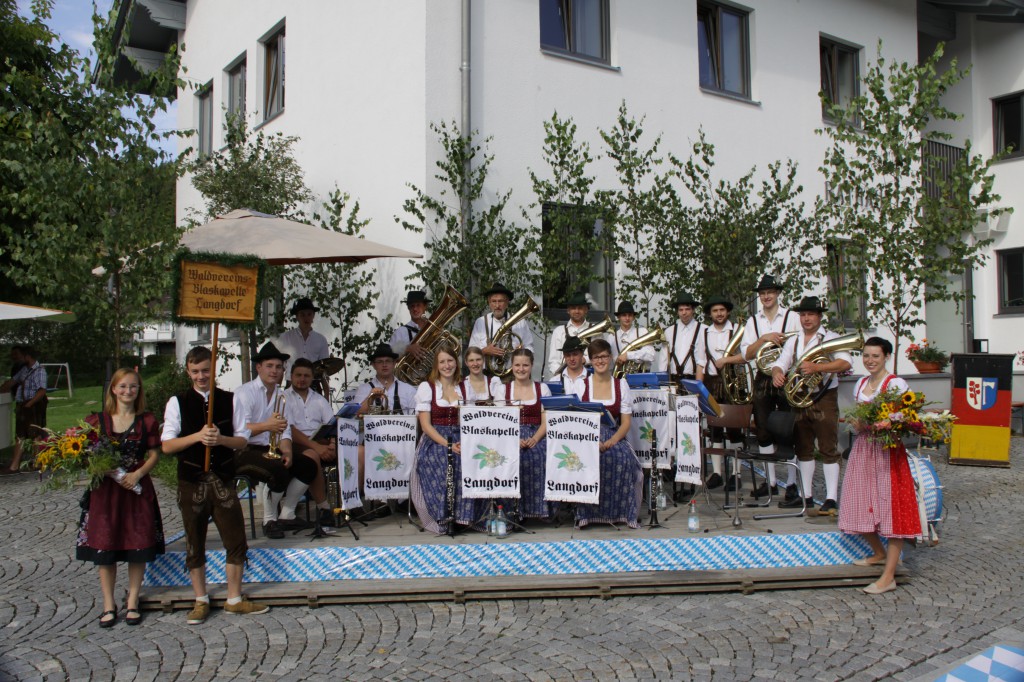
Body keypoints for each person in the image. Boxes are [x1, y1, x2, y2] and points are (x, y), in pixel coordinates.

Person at [161, 346, 269, 623]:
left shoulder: (230, 400)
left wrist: (220, 440)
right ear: (188, 371)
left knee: (235, 539)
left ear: (214, 369)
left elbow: (242, 440)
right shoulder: (178, 402)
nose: (201, 376)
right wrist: (197, 436)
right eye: (195, 371)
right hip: (191, 479)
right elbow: (168, 445)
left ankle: (234, 598)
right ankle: (200, 599)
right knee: (194, 541)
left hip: (222, 477)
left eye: (205, 371)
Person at [77, 368, 164, 627]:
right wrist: (98, 467)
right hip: (106, 493)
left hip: (135, 490)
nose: (128, 391)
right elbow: (84, 456)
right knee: (107, 546)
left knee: (138, 545)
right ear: (113, 389)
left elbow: (155, 454)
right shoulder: (97, 421)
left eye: (133, 387)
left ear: (139, 391)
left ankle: (133, 600)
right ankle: (108, 604)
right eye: (123, 386)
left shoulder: (145, 420)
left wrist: (137, 475)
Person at [838, 337, 921, 595]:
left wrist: (887, 424)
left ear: (886, 356)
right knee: (857, 500)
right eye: (866, 356)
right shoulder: (861, 383)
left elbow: (906, 417)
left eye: (875, 356)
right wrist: (857, 424)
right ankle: (878, 552)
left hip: (887, 451)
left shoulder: (895, 384)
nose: (870, 360)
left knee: (891, 508)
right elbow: (860, 417)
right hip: (864, 448)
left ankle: (888, 577)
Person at [770, 296, 853, 515]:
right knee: (803, 447)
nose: (806, 319)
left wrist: (817, 368)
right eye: (803, 315)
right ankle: (806, 496)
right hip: (800, 399)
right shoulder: (794, 340)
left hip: (824, 397)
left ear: (819, 316)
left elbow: (845, 362)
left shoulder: (830, 338)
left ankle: (831, 499)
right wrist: (777, 373)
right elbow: (781, 363)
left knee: (828, 447)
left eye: (811, 314)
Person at [233, 342, 319, 539]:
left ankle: (287, 514)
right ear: (259, 367)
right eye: (270, 366)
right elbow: (239, 430)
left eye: (278, 367)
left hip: (270, 448)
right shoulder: (245, 393)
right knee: (277, 469)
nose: (274, 371)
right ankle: (269, 520)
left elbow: (285, 430)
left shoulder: (281, 395)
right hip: (245, 450)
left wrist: (287, 451)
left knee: (308, 465)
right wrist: (266, 426)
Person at [409, 348, 487, 534]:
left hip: (463, 435)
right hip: (435, 439)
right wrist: (449, 444)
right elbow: (426, 427)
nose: (447, 366)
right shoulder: (427, 388)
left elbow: (471, 419)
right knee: (447, 460)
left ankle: (465, 517)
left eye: (450, 361)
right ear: (436, 365)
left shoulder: (465, 387)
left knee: (475, 459)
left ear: (456, 363)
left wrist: (466, 442)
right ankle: (444, 516)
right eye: (442, 362)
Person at [740, 275, 801, 499]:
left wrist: (782, 368)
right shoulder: (753, 322)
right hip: (763, 378)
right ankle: (772, 481)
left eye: (770, 292)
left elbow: (798, 345)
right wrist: (764, 339)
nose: (766, 296)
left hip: (787, 376)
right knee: (764, 429)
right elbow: (746, 354)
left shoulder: (792, 317)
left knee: (788, 430)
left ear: (777, 294)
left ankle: (792, 483)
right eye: (763, 293)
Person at [572, 339, 644, 528]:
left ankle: (622, 513)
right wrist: (592, 440)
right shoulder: (581, 385)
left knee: (621, 458)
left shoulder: (621, 385)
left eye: (604, 356)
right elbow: (578, 421)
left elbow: (626, 422)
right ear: (590, 360)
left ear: (611, 358)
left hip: (614, 434)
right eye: (596, 357)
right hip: (587, 436)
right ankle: (586, 513)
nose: (600, 361)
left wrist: (612, 440)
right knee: (586, 459)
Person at [492, 348, 552, 519]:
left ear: (532, 366)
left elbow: (546, 420)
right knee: (509, 457)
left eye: (525, 365)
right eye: (517, 365)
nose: (521, 369)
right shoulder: (503, 390)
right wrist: (513, 439)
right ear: (512, 366)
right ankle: (511, 511)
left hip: (536, 434)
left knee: (539, 455)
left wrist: (535, 438)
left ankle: (538, 510)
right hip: (510, 435)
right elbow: (500, 421)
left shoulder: (543, 389)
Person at [695, 296, 746, 489]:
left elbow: (747, 356)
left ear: (728, 312)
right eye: (715, 311)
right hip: (712, 383)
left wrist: (727, 361)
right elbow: (701, 361)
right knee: (715, 429)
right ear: (710, 314)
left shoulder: (737, 330)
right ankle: (717, 473)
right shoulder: (704, 333)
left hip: (733, 382)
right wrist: (699, 388)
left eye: (722, 310)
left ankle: (736, 474)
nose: (719, 314)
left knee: (734, 429)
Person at [283, 358, 337, 528]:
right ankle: (324, 507)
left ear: (312, 377)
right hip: (294, 443)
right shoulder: (283, 397)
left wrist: (332, 445)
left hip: (320, 441)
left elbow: (332, 425)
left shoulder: (319, 399)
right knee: (312, 457)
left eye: (306, 375)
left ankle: (351, 505)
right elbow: (289, 429)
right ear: (291, 376)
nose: (302, 379)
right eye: (298, 375)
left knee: (354, 451)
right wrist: (318, 448)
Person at [469, 283, 535, 379]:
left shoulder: (520, 322)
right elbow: (471, 352)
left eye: (500, 301)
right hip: (487, 376)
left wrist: (521, 351)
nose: (497, 305)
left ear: (507, 302)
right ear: (489, 303)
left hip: (514, 376)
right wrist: (485, 350)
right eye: (493, 301)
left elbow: (530, 348)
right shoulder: (480, 322)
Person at [2, 346, 47, 474]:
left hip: (34, 406)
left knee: (35, 435)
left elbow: (42, 391)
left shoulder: (40, 371)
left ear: (28, 356)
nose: (17, 358)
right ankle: (14, 466)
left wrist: (29, 404)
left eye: (19, 355)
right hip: (23, 405)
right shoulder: (24, 371)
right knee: (20, 435)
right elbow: (12, 382)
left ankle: (38, 463)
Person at [353, 343, 417, 416]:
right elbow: (356, 415)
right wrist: (370, 398)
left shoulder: (409, 390)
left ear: (394, 363)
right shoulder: (363, 389)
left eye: (388, 361)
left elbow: (417, 418)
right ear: (373, 365)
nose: (384, 365)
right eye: (380, 362)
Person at [657, 292, 704, 387]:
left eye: (687, 309)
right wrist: (662, 383)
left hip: (694, 380)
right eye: (681, 310)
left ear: (693, 310)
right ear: (677, 311)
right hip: (673, 381)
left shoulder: (703, 330)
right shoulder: (669, 331)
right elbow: (664, 358)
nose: (684, 313)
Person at [275, 297, 330, 374]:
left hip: (313, 381)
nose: (306, 318)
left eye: (309, 314)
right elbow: (278, 363)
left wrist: (325, 384)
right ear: (297, 316)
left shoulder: (321, 340)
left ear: (313, 316)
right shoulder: (285, 337)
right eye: (302, 314)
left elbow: (324, 366)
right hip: (291, 381)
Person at [546, 291, 593, 379]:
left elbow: (600, 356)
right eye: (573, 308)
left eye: (580, 308)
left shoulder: (595, 329)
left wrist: (585, 360)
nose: (577, 311)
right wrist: (562, 376)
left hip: (589, 377)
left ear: (586, 309)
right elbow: (553, 360)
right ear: (568, 310)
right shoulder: (559, 331)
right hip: (564, 377)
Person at [607, 301, 655, 374]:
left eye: (630, 315)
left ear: (633, 317)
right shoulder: (612, 337)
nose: (627, 318)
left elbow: (651, 355)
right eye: (624, 315)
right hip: (619, 378)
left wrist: (628, 355)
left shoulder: (642, 332)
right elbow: (610, 364)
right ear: (618, 317)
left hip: (641, 377)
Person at [389, 290, 431, 358]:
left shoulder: (433, 328)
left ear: (425, 306)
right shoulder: (400, 332)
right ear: (408, 308)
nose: (415, 309)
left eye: (418, 305)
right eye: (412, 306)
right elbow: (389, 353)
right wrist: (408, 348)